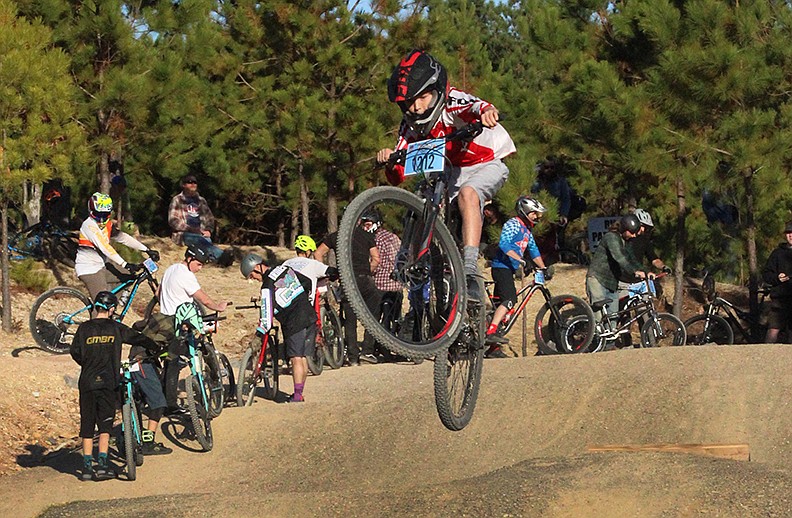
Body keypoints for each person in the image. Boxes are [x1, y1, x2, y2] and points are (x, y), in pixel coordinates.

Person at [376, 49, 516, 302]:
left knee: (468, 193)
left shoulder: (452, 102)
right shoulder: (410, 125)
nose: (416, 107)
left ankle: (471, 269)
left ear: (437, 90)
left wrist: (487, 113)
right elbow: (397, 177)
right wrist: (389, 160)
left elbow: (476, 106)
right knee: (421, 199)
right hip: (450, 172)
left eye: (423, 98)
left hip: (485, 162)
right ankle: (413, 266)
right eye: (409, 101)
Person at [70, 291, 164, 481]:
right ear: (112, 309)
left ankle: (87, 467)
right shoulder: (115, 328)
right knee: (105, 423)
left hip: (87, 381)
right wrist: (155, 347)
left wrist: (87, 363)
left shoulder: (84, 329)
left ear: (96, 307)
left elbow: (75, 352)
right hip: (108, 381)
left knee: (87, 423)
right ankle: (103, 464)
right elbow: (138, 338)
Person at [149, 244, 228, 414]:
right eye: (199, 264)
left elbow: (157, 294)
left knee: (170, 361)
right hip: (179, 324)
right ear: (190, 259)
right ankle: (171, 405)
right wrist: (218, 307)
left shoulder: (171, 269)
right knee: (175, 363)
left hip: (164, 321)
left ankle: (163, 401)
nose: (200, 268)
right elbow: (203, 299)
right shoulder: (187, 276)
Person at [240, 254, 316, 403]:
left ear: (257, 267)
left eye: (252, 275)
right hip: (309, 315)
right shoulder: (285, 269)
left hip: (294, 321)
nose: (253, 279)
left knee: (296, 358)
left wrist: (259, 335)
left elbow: (267, 319)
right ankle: (299, 393)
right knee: (303, 357)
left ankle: (297, 396)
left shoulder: (267, 285)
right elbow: (307, 282)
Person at [486, 197, 549, 358]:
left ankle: (492, 348)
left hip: (509, 269)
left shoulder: (527, 230)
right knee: (509, 300)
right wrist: (521, 260)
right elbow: (504, 244)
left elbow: (534, 251)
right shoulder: (513, 224)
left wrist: (543, 268)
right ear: (525, 212)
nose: (537, 218)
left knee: (502, 305)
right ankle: (491, 331)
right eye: (534, 214)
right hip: (501, 267)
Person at [315, 222, 381, 365]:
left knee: (350, 319)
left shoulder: (335, 236)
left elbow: (318, 253)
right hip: (364, 279)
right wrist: (368, 269)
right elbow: (376, 258)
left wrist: (326, 272)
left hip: (347, 280)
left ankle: (352, 357)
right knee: (373, 315)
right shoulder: (366, 235)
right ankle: (367, 351)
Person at [75, 192, 158, 302]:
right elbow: (105, 247)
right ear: (91, 211)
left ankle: (112, 309)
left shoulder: (108, 225)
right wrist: (125, 264)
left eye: (104, 215)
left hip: (102, 265)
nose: (101, 219)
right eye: (98, 215)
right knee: (102, 305)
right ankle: (102, 315)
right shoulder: (88, 225)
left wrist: (146, 249)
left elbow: (123, 238)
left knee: (128, 275)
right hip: (89, 269)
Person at [586, 214, 648, 327]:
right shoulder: (611, 237)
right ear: (624, 229)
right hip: (598, 279)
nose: (634, 236)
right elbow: (619, 257)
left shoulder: (625, 241)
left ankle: (610, 344)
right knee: (598, 317)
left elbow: (631, 259)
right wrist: (634, 272)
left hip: (612, 283)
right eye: (632, 232)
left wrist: (645, 272)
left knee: (613, 318)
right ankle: (594, 341)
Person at [362, 209, 405, 360]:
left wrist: (367, 272)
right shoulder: (393, 237)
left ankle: (368, 349)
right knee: (391, 319)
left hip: (380, 284)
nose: (365, 228)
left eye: (367, 224)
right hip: (396, 285)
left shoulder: (375, 240)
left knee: (373, 319)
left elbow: (376, 261)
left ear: (376, 224)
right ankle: (387, 349)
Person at [168, 174, 233, 266]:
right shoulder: (177, 200)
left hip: (201, 234)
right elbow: (173, 220)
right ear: (183, 185)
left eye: (195, 182)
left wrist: (208, 230)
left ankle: (218, 260)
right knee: (200, 241)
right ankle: (222, 256)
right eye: (190, 182)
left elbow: (210, 217)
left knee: (206, 242)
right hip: (184, 234)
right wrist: (190, 229)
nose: (193, 184)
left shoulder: (201, 201)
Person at [282, 235, 338, 304]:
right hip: (304, 306)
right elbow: (332, 271)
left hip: (285, 304)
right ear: (307, 251)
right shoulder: (312, 264)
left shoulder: (286, 263)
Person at [761, 222, 792, 343]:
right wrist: (777, 278)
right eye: (788, 233)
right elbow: (767, 274)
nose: (791, 236)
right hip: (780, 300)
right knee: (773, 330)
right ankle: (766, 357)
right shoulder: (777, 253)